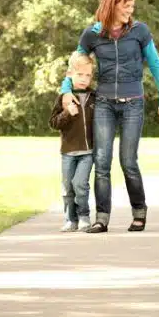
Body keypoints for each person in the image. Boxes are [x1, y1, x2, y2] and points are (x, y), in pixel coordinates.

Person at [59, 0, 159, 233]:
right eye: (126, 5)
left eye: (132, 5)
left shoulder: (140, 31)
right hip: (104, 104)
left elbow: (155, 64)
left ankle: (139, 212)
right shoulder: (92, 34)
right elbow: (74, 65)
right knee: (101, 161)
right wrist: (65, 90)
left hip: (133, 103)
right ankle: (102, 218)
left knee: (128, 161)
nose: (130, 9)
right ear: (112, 4)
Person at [49, 52, 97, 232]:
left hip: (87, 151)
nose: (84, 79)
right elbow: (53, 123)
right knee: (67, 187)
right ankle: (71, 219)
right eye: (80, 74)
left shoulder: (95, 97)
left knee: (80, 184)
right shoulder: (63, 97)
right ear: (70, 74)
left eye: (88, 75)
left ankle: (84, 216)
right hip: (68, 151)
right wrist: (67, 112)